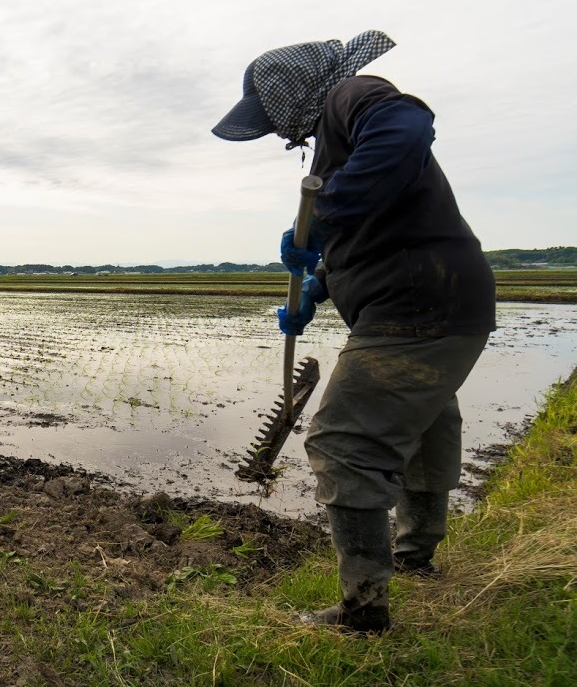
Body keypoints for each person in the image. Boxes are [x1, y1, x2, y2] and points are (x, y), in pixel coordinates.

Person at [212, 31, 496, 633]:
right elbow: (356, 244)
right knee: (424, 428)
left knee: (344, 442)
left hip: (416, 305)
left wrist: (326, 211)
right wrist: (314, 290)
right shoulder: (335, 145)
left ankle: (363, 610)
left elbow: (409, 127)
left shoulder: (351, 94)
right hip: (442, 301)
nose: (280, 132)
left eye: (274, 117)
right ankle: (416, 558)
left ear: (291, 93)